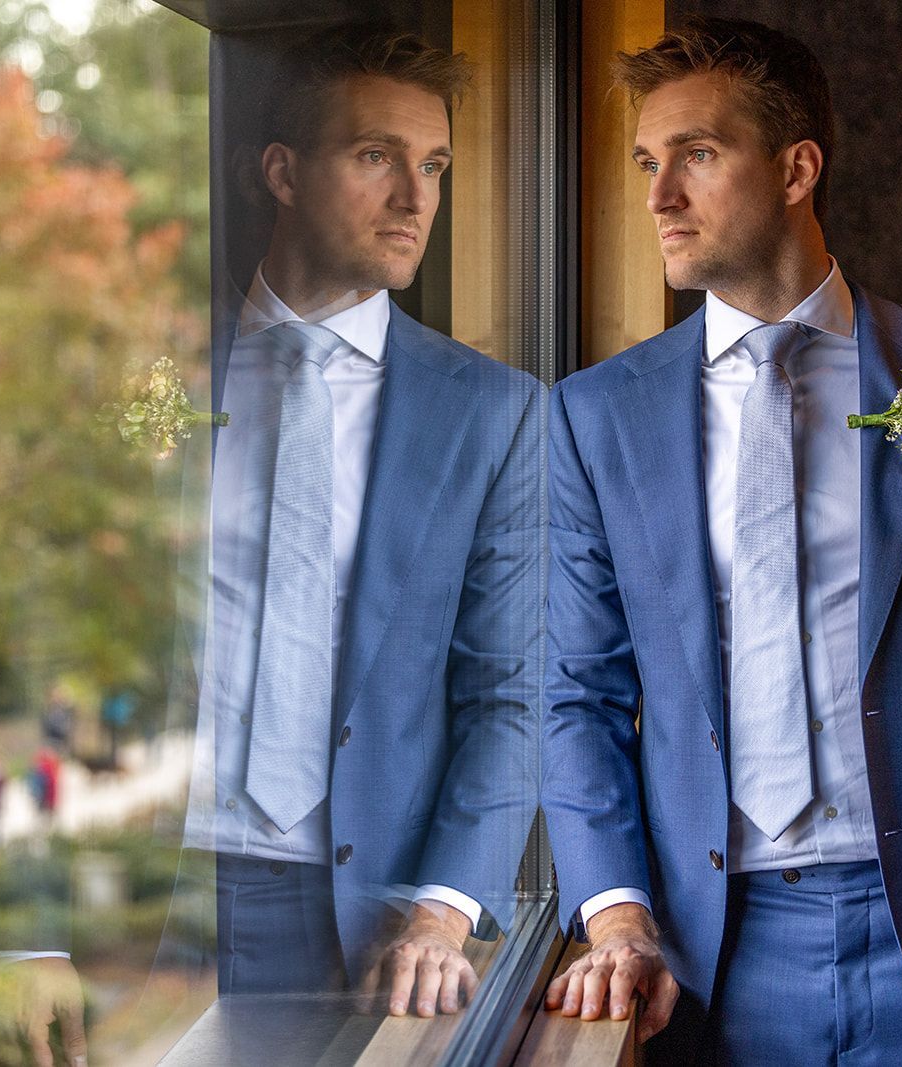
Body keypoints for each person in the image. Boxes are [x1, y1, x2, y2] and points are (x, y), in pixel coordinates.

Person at [541, 18, 902, 1066]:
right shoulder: (597, 417)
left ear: (797, 167)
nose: (657, 195)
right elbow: (572, 691)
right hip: (712, 955)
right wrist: (615, 913)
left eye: (697, 155)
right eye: (645, 161)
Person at [172, 25, 540, 1038]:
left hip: (369, 918)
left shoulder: (494, 411)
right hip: (156, 896)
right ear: (282, 172)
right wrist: (39, 941)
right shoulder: (156, 375)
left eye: (433, 166)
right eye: (377, 156)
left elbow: (512, 691)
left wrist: (440, 906)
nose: (415, 198)